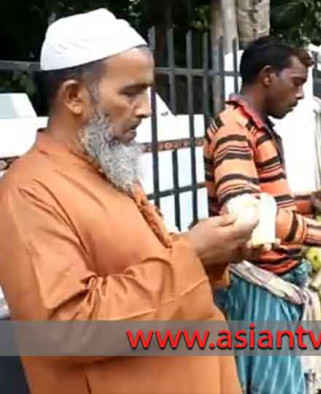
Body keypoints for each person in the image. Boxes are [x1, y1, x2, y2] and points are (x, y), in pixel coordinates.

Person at [0, 9, 253, 394]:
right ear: (73, 96)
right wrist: (191, 256)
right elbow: (67, 329)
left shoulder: (107, 168)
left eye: (146, 90)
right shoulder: (29, 192)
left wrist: (211, 256)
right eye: (130, 92)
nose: (147, 108)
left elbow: (148, 271)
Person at [204, 36, 321, 394]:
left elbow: (265, 202)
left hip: (273, 283)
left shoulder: (255, 128)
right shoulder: (235, 131)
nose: (301, 94)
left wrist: (311, 203)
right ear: (267, 77)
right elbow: (247, 217)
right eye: (296, 82)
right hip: (258, 286)